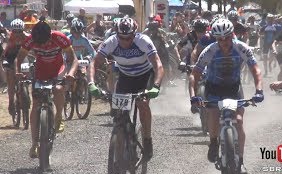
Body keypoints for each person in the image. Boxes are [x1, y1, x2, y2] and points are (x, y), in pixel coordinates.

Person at [189, 19, 263, 174]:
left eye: (227, 38)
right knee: (213, 114)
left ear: (232, 35)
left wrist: (259, 90)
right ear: (215, 38)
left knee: (239, 121)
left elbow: (255, 69)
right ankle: (214, 142)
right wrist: (193, 96)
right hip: (213, 88)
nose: (224, 42)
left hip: (233, 89)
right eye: (220, 39)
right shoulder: (210, 50)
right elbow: (194, 75)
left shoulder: (241, 47)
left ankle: (241, 161)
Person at [87, 18, 164, 162]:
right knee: (119, 114)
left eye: (128, 38)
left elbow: (158, 65)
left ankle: (147, 139)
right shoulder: (111, 42)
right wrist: (91, 83)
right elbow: (94, 63)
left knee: (142, 104)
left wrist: (156, 86)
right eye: (121, 38)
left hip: (145, 75)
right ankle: (121, 147)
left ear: (135, 34)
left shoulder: (144, 41)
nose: (125, 41)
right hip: (126, 77)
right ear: (116, 34)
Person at [15, 21, 79, 158]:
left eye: (44, 42)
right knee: (36, 103)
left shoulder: (59, 37)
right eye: (40, 44)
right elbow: (19, 58)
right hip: (41, 70)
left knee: (58, 88)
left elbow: (73, 59)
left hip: (58, 69)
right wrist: (18, 71)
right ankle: (34, 144)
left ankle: (59, 116)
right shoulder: (30, 40)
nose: (43, 46)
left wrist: (71, 73)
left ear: (50, 35)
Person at [2, 19, 28, 116]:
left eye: (19, 31)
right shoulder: (9, 36)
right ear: (12, 30)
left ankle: (25, 88)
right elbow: (4, 49)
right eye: (15, 31)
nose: (17, 33)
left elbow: (33, 48)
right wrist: (3, 59)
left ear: (23, 30)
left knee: (29, 70)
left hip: (22, 57)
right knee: (11, 81)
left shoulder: (26, 36)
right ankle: (11, 102)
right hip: (10, 58)